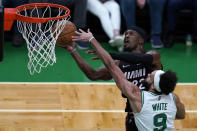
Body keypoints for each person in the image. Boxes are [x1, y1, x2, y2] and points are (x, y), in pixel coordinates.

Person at [72, 29, 185, 130]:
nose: (126, 36)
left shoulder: (153, 56)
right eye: (125, 34)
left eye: (131, 33)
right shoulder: (120, 62)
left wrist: (109, 54)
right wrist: (73, 51)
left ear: (141, 40)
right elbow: (94, 75)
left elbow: (136, 59)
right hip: (135, 115)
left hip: (144, 106)